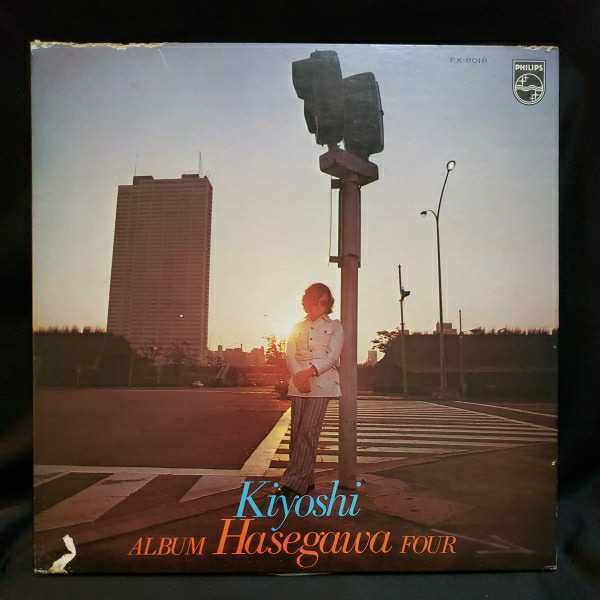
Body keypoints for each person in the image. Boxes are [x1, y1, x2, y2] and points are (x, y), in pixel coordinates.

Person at [278, 282, 344, 499]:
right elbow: (289, 354)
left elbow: (332, 356)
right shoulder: (297, 326)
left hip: (322, 383)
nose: (318, 306)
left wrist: (309, 373)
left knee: (308, 431)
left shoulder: (335, 326)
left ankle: (292, 484)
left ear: (328, 304)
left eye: (324, 303)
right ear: (307, 302)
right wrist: (299, 375)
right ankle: (306, 481)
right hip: (298, 383)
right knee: (297, 433)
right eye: (315, 301)